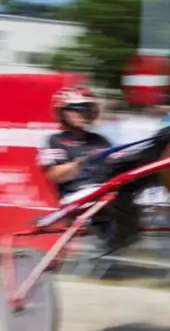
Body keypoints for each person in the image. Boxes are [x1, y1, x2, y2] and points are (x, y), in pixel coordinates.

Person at [36, 86, 140, 250]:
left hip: (105, 190)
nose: (82, 113)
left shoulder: (99, 140)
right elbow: (54, 175)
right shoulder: (54, 140)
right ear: (62, 112)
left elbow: (119, 161)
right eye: (76, 108)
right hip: (76, 196)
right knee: (116, 197)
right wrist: (81, 162)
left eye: (87, 108)